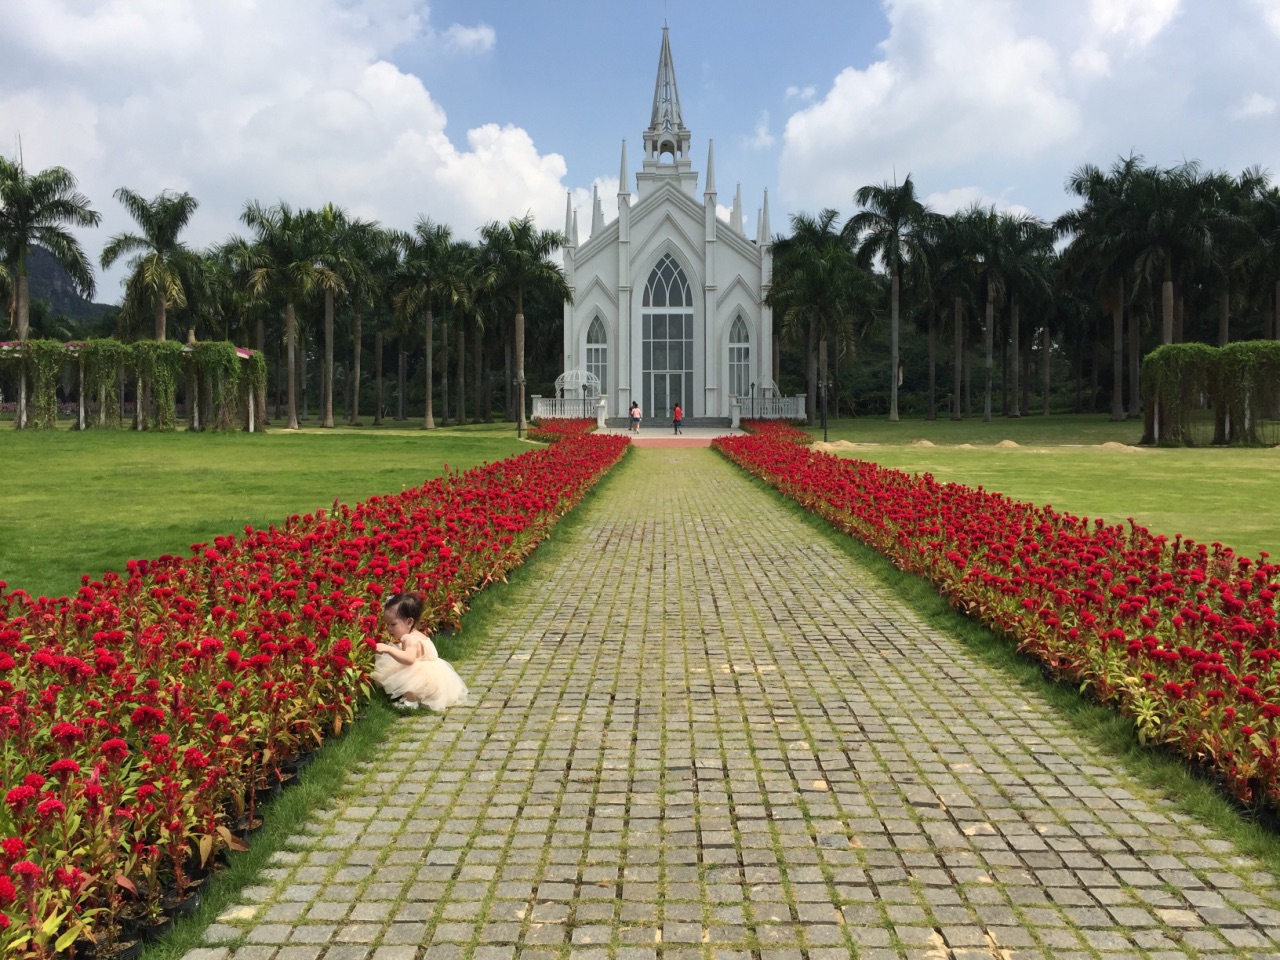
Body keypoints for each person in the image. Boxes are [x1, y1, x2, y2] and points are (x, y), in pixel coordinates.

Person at [373, 592, 468, 710]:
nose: (389, 629)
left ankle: (410, 701)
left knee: (403, 671)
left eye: (393, 624)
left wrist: (388, 649)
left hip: (424, 675)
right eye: (387, 624)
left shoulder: (409, 639)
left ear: (409, 622)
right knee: (404, 670)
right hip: (435, 674)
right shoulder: (417, 634)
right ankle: (415, 698)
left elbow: (409, 659)